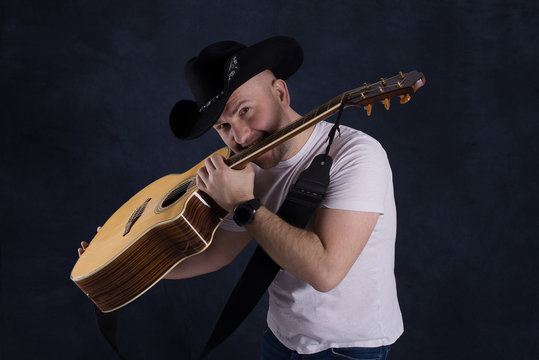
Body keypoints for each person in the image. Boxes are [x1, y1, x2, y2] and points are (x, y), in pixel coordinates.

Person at [79, 36, 403, 359]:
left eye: (245, 110)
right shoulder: (243, 170)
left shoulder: (357, 155)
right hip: (280, 340)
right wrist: (124, 267)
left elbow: (326, 272)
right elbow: (216, 253)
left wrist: (243, 204)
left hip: (348, 349)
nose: (241, 137)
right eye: (223, 126)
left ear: (280, 92)